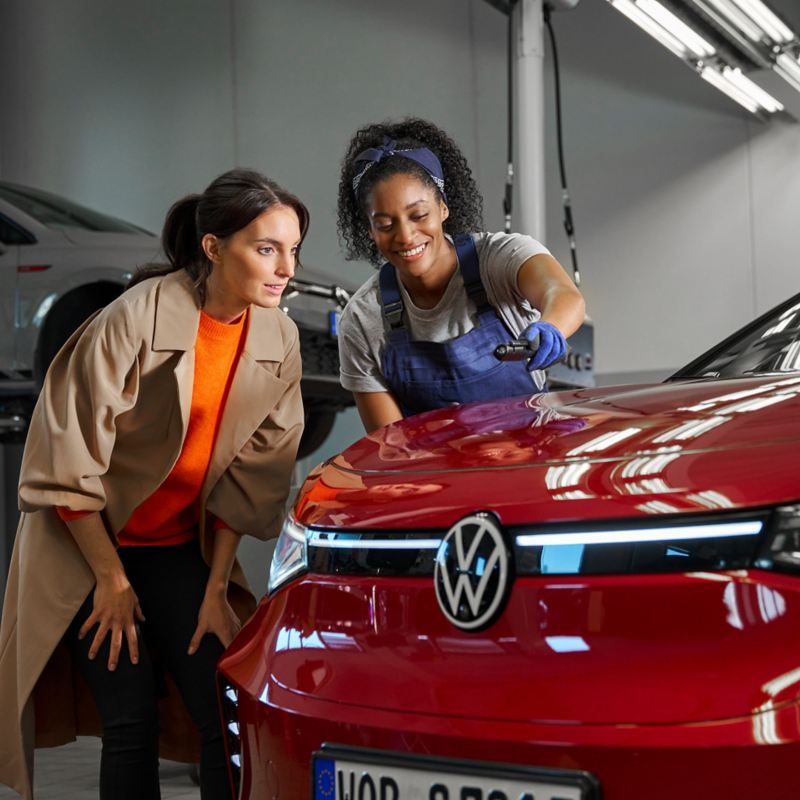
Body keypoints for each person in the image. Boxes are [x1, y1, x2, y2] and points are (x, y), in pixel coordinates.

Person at [0, 168, 307, 800]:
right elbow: (66, 459)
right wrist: (111, 582)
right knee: (130, 717)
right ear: (214, 247)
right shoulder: (132, 319)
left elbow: (254, 474)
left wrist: (218, 585)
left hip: (175, 550)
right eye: (266, 248)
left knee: (223, 713)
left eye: (293, 249)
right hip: (87, 547)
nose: (285, 268)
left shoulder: (278, 335)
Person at [336, 117, 586, 433]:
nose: (405, 236)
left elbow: (563, 295)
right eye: (385, 224)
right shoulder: (362, 320)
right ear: (369, 229)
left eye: (419, 215)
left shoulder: (499, 258)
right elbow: (390, 445)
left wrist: (550, 326)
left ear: (443, 208)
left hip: (529, 458)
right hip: (437, 476)